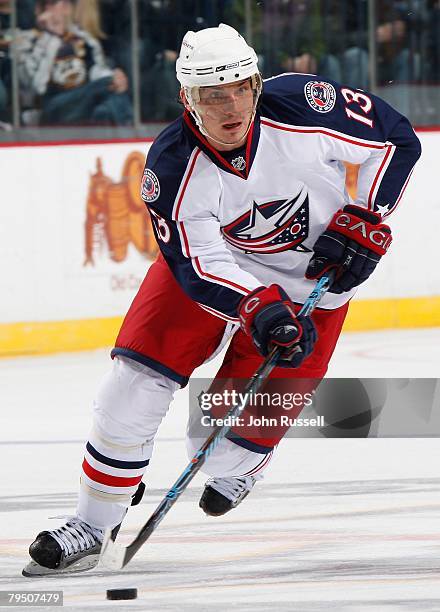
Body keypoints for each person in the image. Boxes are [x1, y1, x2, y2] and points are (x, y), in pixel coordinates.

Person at [23, 23, 421, 577]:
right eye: (212, 94)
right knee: (131, 387)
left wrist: (366, 215)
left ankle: (241, 462)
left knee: (220, 449)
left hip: (314, 282)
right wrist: (256, 302)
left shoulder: (305, 104)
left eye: (239, 87)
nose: (230, 105)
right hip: (217, 273)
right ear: (188, 98)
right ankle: (92, 524)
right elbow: (195, 261)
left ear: (257, 85)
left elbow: (397, 138)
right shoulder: (172, 164)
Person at [15, 0, 132, 126]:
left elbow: (97, 71)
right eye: (46, 4)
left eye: (54, 3)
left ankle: (127, 136)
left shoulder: (84, 39)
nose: (49, 8)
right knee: (108, 85)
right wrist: (51, 37)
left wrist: (115, 77)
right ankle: (133, 135)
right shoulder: (29, 40)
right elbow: (37, 88)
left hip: (85, 103)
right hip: (52, 107)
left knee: (105, 108)